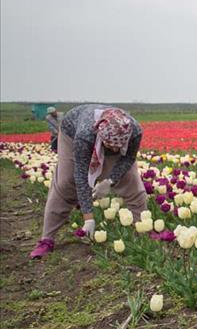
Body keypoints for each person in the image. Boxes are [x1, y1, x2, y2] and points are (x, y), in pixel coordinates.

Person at [31, 105, 146, 258]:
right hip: (71, 134)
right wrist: (88, 218)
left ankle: (142, 232)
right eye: (110, 146)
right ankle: (47, 239)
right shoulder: (85, 135)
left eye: (118, 147)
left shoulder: (134, 132)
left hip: (111, 138)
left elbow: (128, 158)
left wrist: (110, 181)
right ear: (101, 136)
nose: (115, 150)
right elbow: (80, 175)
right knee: (66, 181)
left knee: (131, 181)